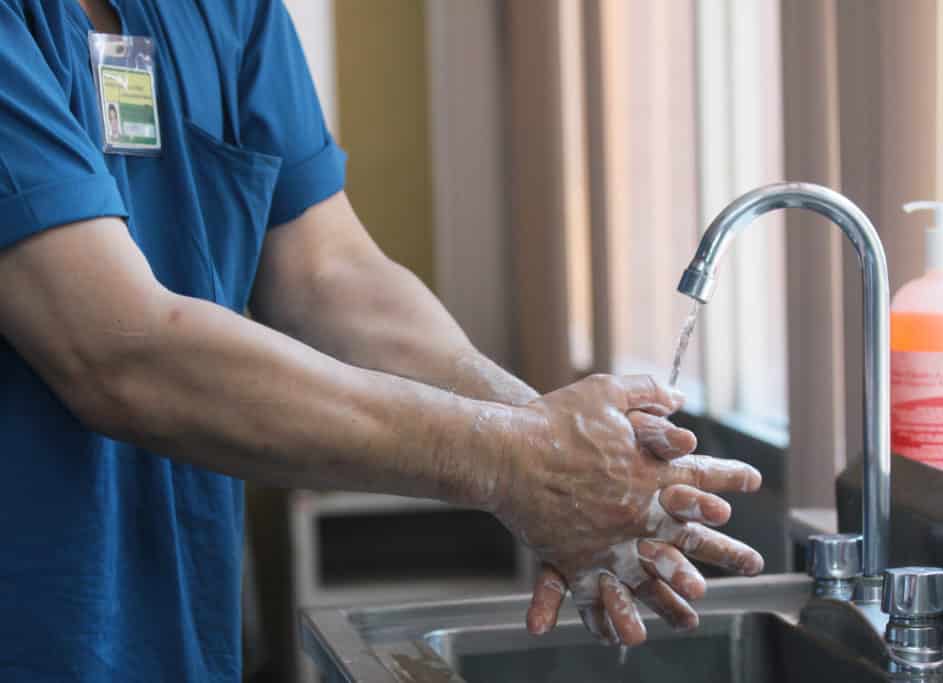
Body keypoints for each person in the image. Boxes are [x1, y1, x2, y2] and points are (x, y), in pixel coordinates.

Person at [0, 1, 764, 681]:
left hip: (174, 632)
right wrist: (520, 460)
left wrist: (558, 451)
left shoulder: (232, 11)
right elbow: (117, 349)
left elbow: (331, 276)